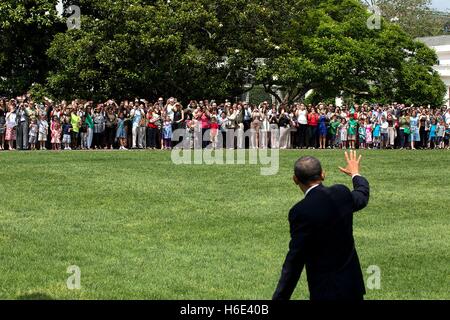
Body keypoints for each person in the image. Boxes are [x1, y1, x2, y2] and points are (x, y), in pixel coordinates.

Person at [273, 151, 370, 301]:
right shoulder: (342, 193)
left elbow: (295, 261)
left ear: (295, 180)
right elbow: (362, 195)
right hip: (352, 287)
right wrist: (355, 173)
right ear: (323, 174)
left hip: (325, 291)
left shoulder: (300, 211)